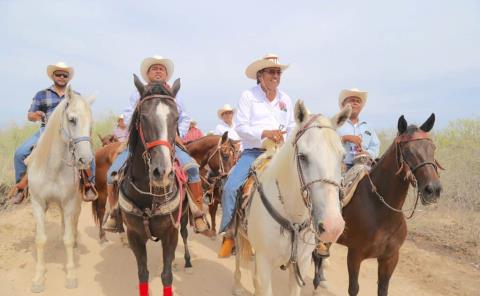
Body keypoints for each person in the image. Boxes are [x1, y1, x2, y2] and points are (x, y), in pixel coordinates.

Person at [103, 55, 210, 235]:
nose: (158, 70)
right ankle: (113, 212)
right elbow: (128, 115)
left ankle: (197, 213)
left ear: (166, 74)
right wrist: (139, 124)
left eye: (162, 68)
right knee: (112, 172)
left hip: (169, 140)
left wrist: (177, 134)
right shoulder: (137, 94)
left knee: (192, 169)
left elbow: (183, 118)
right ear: (147, 74)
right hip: (140, 140)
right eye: (154, 68)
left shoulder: (177, 95)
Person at [218, 53, 295, 257]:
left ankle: (310, 233)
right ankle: (230, 233)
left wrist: (286, 137)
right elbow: (241, 127)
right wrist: (265, 133)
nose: (276, 76)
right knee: (230, 188)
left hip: (280, 153)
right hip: (254, 152)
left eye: (278, 72)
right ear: (260, 75)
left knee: (306, 182)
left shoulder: (285, 99)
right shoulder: (248, 96)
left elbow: (292, 124)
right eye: (271, 72)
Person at [12, 62, 97, 204]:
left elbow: (83, 114)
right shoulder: (42, 94)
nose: (62, 77)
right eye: (59, 74)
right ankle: (21, 187)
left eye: (65, 75)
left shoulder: (76, 96)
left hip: (69, 131)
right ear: (53, 76)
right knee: (20, 153)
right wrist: (36, 115)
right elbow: (30, 115)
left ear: (68, 78)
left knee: (89, 155)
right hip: (46, 131)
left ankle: (88, 183)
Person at [336, 88, 380, 170]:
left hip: (365, 167)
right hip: (340, 167)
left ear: (361, 107)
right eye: (352, 100)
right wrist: (345, 138)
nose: (355, 103)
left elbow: (375, 146)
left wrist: (367, 153)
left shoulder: (368, 127)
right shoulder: (336, 124)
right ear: (343, 105)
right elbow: (328, 143)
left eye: (358, 101)